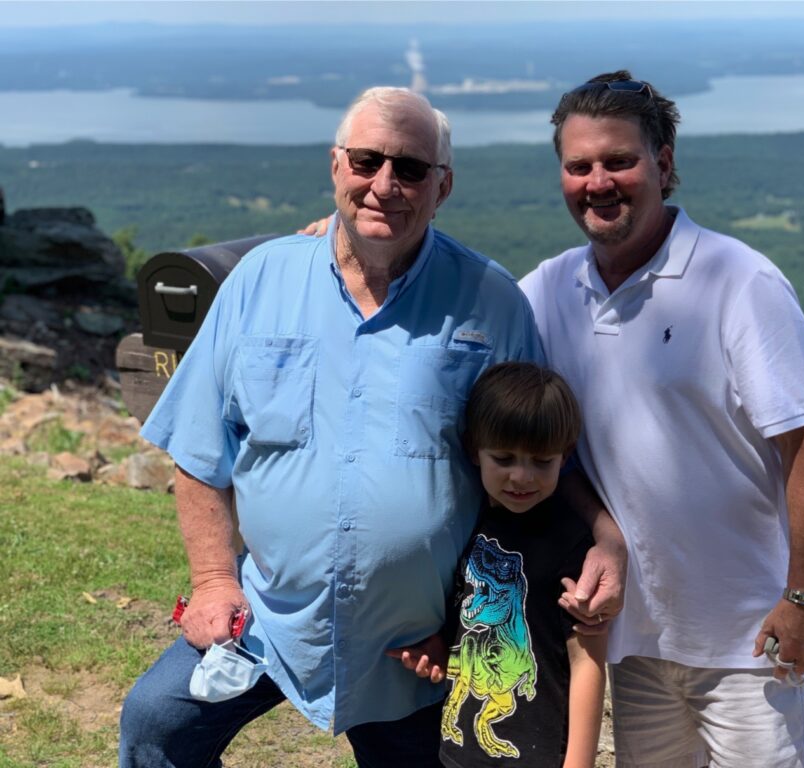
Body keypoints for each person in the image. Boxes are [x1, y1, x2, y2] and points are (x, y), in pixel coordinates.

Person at [118, 86, 623, 768]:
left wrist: (603, 535)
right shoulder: (261, 280)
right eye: (366, 161)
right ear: (337, 167)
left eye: (410, 168)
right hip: (271, 618)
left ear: (442, 187)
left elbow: (538, 454)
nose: (385, 184)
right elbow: (201, 447)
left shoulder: (491, 300)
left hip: (414, 646)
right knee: (157, 723)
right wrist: (212, 581)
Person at [518, 72, 804, 767]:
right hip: (635, 635)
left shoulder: (739, 281)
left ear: (663, 164)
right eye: (578, 166)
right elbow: (459, 314)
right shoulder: (548, 289)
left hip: (751, 637)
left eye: (619, 161)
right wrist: (334, 238)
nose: (598, 182)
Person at [390, 362, 607, 767]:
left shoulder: (573, 543)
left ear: (565, 455)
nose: (521, 476)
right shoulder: (463, 526)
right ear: (474, 450)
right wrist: (439, 649)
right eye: (504, 458)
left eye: (542, 461)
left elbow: (587, 661)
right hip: (456, 755)